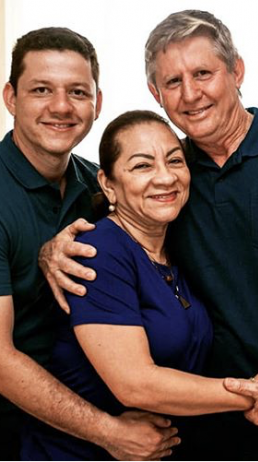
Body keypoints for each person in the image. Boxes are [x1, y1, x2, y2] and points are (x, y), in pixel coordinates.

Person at [40, 10, 258, 460]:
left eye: (203, 73)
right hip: (213, 438)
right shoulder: (172, 178)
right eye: (173, 81)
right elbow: (114, 217)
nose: (191, 94)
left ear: (236, 71)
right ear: (156, 93)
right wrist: (52, 248)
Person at [21, 109, 258, 460]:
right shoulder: (98, 252)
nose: (165, 177)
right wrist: (255, 392)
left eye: (174, 160)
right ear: (108, 184)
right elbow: (135, 384)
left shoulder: (175, 247)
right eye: (142, 166)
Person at [0, 27, 181, 460]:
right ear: (11, 98)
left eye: (78, 92)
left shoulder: (98, 184)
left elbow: (172, 173)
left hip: (79, 422)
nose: (61, 107)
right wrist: (109, 432)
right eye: (41, 90)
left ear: (98, 103)